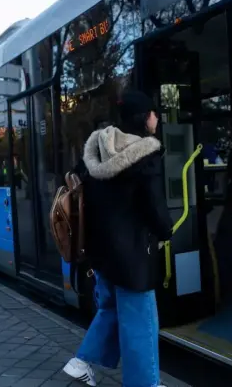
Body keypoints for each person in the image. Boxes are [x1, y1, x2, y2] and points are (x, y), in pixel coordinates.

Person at [63, 90, 173, 387]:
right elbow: (155, 208)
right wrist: (167, 230)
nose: (157, 118)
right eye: (153, 112)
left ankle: (80, 361)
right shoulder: (146, 155)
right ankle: (146, 383)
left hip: (100, 251)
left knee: (110, 307)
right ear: (143, 118)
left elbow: (77, 184)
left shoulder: (96, 149)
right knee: (141, 322)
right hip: (133, 255)